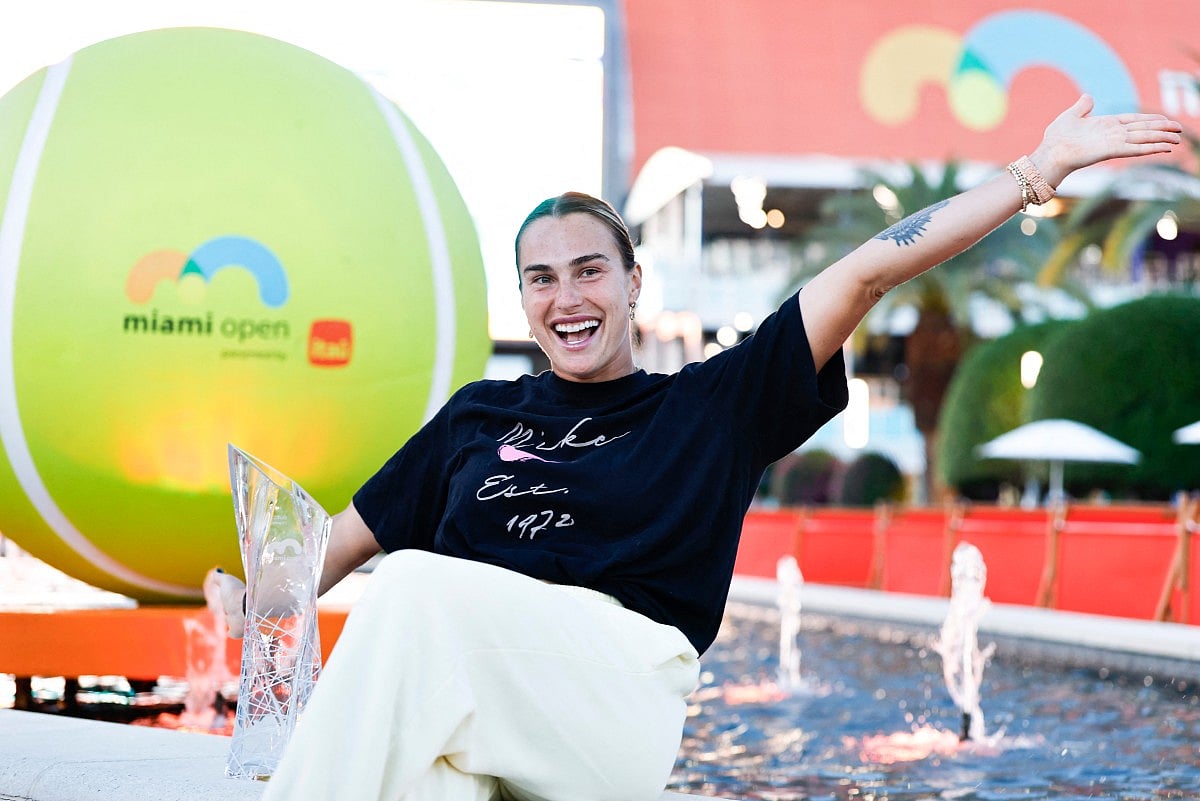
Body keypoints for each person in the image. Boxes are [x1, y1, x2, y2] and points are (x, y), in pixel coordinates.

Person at [216, 94, 1181, 801]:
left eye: (591, 270)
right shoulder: (478, 415)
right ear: (524, 301)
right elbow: (324, 556)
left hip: (612, 701)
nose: (568, 298)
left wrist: (1033, 174)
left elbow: (866, 272)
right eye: (542, 280)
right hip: (480, 696)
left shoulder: (711, 402)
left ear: (636, 283)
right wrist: (241, 592)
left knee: (416, 588)